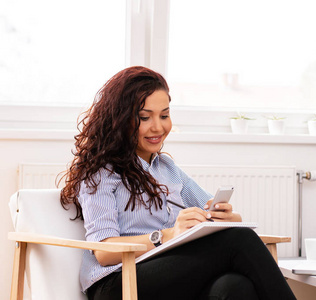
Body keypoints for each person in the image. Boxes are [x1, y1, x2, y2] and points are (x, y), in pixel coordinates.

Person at [60, 66, 296, 300]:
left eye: (164, 115)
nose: (158, 127)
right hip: (116, 283)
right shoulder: (101, 172)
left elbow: (209, 209)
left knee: (233, 286)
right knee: (239, 241)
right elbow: (103, 251)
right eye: (144, 117)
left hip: (166, 273)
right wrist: (168, 234)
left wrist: (228, 218)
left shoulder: (167, 168)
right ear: (120, 120)